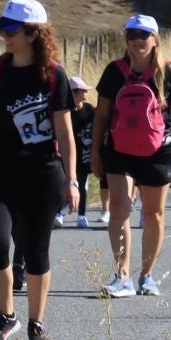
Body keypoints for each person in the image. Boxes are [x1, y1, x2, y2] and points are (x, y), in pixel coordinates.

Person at [0, 0, 77, 340]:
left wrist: (72, 180)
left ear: (33, 33)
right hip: (2, 171)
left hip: (43, 173)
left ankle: (36, 323)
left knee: (35, 251)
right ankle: (6, 315)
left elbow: (64, 132)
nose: (4, 36)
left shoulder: (53, 74)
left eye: (10, 31)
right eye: (2, 30)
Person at [90, 14, 171, 298]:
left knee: (153, 213)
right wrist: (95, 151)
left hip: (159, 150)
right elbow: (101, 114)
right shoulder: (114, 71)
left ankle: (146, 275)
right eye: (132, 35)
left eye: (144, 35)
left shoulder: (169, 72)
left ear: (155, 39)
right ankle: (122, 275)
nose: (138, 41)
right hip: (120, 150)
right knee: (120, 208)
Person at [66, 74, 97, 228]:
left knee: (82, 184)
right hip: (67, 155)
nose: (86, 93)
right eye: (83, 90)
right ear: (75, 93)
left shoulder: (90, 110)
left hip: (84, 156)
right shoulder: (65, 113)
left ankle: (82, 215)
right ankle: (59, 213)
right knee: (65, 184)